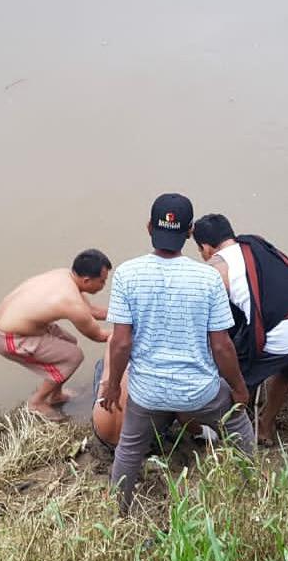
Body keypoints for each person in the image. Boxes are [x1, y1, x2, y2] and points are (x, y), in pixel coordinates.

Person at [101, 194, 255, 514]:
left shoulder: (127, 274)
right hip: (200, 393)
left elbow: (120, 343)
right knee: (238, 425)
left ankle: (119, 512)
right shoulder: (208, 277)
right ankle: (249, 491)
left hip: (147, 393)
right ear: (188, 232)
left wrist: (113, 384)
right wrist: (239, 388)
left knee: (129, 450)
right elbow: (221, 346)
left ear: (148, 228)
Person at [191, 213, 288, 444]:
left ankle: (230, 436)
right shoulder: (254, 244)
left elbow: (207, 327)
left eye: (200, 251)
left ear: (206, 248)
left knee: (234, 381)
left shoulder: (216, 268)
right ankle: (265, 425)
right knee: (287, 370)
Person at [0, 249, 112, 421]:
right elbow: (99, 336)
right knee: (73, 357)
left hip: (21, 325)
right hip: (9, 338)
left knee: (69, 342)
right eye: (102, 281)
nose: (104, 285)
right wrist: (131, 332)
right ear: (86, 280)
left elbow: (92, 311)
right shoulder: (72, 303)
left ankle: (55, 395)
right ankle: (37, 402)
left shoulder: (65, 275)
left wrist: (129, 315)